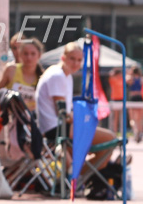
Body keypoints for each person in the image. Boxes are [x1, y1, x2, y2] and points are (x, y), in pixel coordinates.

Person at [35, 41, 115, 169]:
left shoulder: (64, 75)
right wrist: (84, 118)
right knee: (111, 139)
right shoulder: (57, 75)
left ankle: (92, 174)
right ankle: (84, 176)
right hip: (55, 129)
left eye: (79, 60)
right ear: (63, 57)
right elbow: (62, 114)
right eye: (72, 59)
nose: (76, 63)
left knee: (102, 146)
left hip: (58, 128)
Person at [0, 37, 44, 113]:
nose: (29, 57)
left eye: (33, 54)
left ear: (39, 55)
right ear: (20, 54)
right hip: (11, 119)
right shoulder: (11, 70)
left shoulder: (43, 76)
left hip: (33, 121)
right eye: (25, 53)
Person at [127, 66, 143, 142]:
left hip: (133, 98)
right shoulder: (141, 79)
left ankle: (136, 132)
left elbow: (127, 80)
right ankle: (139, 132)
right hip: (139, 98)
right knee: (139, 118)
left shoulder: (130, 78)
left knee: (133, 118)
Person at [108, 67, 124, 134]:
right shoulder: (113, 79)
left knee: (121, 117)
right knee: (115, 117)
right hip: (115, 99)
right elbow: (110, 74)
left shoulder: (122, 79)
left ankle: (120, 131)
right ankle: (114, 131)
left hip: (121, 99)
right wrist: (115, 70)